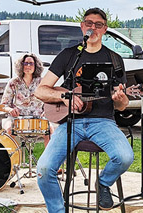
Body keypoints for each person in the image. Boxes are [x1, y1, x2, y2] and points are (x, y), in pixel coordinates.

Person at [35, 8, 134, 212]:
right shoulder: (69, 55)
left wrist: (122, 99)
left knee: (125, 157)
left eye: (98, 25)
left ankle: (103, 183)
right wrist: (65, 97)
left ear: (105, 29)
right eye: (89, 23)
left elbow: (121, 106)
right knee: (44, 169)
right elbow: (41, 90)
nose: (93, 28)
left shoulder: (115, 60)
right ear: (82, 26)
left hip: (103, 121)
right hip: (70, 122)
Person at [0, 53, 51, 147]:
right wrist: (10, 110)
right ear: (21, 65)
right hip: (16, 119)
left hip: (38, 119)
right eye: (25, 63)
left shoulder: (41, 82)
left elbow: (49, 102)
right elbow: (3, 105)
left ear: (36, 66)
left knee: (50, 130)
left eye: (31, 63)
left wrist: (46, 111)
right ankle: (14, 158)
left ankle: (48, 160)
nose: (28, 66)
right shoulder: (13, 82)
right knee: (8, 129)